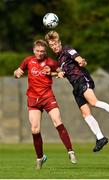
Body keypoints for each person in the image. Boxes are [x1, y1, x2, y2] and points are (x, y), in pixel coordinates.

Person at [45, 31, 109, 152]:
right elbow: (63, 72)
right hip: (76, 87)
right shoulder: (59, 59)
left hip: (82, 80)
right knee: (85, 114)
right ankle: (100, 138)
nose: (54, 46)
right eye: (51, 45)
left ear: (59, 42)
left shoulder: (67, 50)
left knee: (93, 102)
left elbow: (78, 58)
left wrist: (81, 61)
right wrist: (53, 73)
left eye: (55, 43)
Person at [14, 39, 77, 170]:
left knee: (58, 122)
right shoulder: (28, 61)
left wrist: (55, 73)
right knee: (35, 129)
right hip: (33, 99)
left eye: (42, 51)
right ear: (33, 50)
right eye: (37, 51)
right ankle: (40, 157)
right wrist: (17, 73)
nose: (40, 53)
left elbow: (61, 72)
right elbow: (17, 72)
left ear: (45, 52)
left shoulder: (51, 62)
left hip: (48, 97)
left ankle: (70, 151)